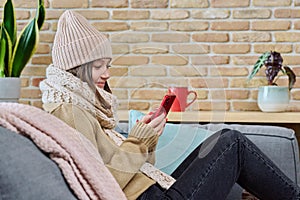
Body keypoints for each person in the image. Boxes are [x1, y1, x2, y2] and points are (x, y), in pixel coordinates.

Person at [39, 10, 300, 200]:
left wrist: (147, 141)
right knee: (231, 143)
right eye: (98, 66)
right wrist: (138, 142)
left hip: (152, 192)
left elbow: (127, 169)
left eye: (107, 65)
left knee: (225, 142)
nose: (106, 74)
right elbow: (98, 183)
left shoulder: (81, 106)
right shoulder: (68, 111)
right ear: (76, 69)